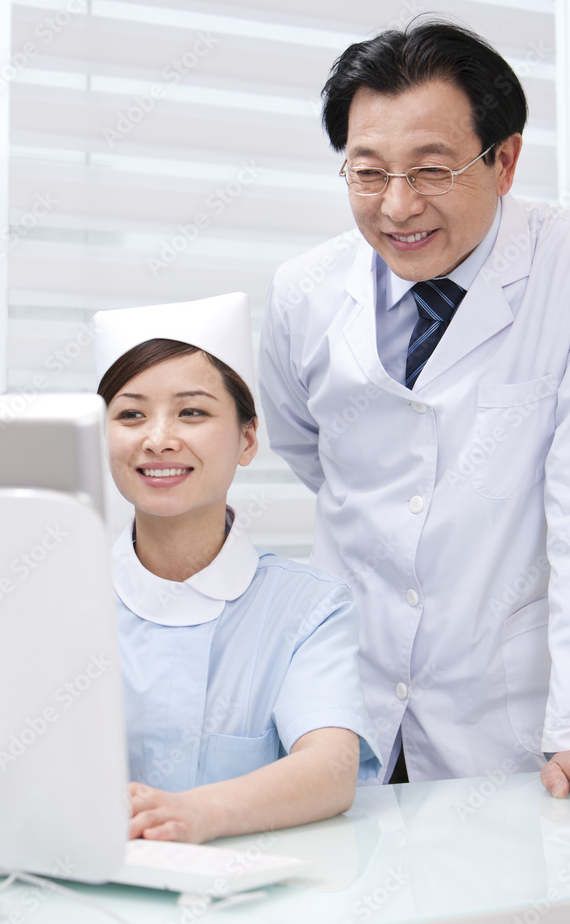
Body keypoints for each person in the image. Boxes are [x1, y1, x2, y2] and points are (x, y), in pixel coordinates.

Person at [258, 20, 570, 797]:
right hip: (351, 698)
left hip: (515, 711)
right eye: (367, 173)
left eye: (431, 170)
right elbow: (307, 450)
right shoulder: (302, 291)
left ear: (504, 160)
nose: (397, 207)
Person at [92, 292, 380, 844]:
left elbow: (332, 768)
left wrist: (198, 814)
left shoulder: (310, 608)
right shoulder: (61, 599)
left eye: (192, 411)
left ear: (248, 439)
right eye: (130, 414)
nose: (158, 439)